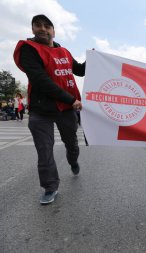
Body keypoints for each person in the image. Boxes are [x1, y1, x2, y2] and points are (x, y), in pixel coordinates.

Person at [13, 14, 85, 205]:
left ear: (53, 31)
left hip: (66, 109)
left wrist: (94, 59)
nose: (42, 29)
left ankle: (73, 160)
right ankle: (50, 187)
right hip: (41, 111)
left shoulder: (64, 52)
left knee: (72, 145)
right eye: (37, 26)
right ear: (32, 30)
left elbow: (79, 70)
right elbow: (40, 80)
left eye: (47, 26)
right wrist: (71, 99)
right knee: (44, 151)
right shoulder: (29, 50)